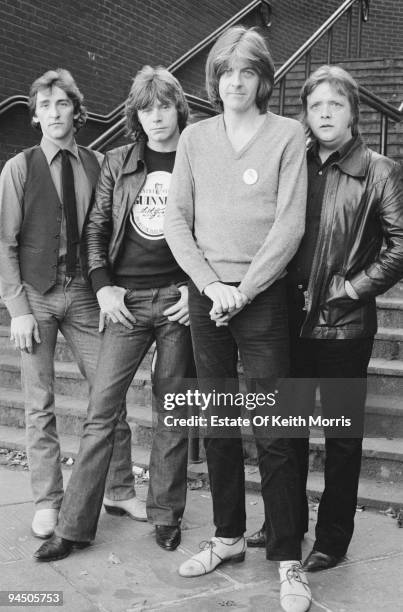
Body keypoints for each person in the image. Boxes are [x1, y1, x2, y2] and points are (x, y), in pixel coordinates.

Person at [165, 26, 311, 612]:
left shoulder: (288, 134)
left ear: (263, 79)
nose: (235, 82)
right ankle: (227, 536)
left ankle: (287, 558)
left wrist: (242, 291)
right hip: (207, 296)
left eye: (247, 71)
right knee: (219, 422)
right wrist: (208, 286)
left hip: (265, 297)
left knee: (276, 430)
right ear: (215, 79)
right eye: (226, 72)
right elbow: (177, 219)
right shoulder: (195, 139)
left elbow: (290, 225)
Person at [34, 66, 194, 562]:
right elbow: (97, 228)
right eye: (146, 108)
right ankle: (74, 525)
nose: (157, 117)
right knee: (101, 411)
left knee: (173, 410)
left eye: (164, 106)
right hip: (124, 303)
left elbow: (211, 227)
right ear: (135, 115)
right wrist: (102, 288)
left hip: (178, 302)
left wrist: (197, 288)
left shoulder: (196, 156)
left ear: (178, 109)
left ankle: (167, 515)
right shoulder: (121, 160)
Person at [249, 65, 403, 572]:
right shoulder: (294, 161)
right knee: (286, 433)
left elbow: (399, 246)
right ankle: (284, 526)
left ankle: (333, 539)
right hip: (287, 321)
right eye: (316, 106)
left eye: (335, 104)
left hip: (344, 327)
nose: (325, 113)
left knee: (341, 438)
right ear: (306, 115)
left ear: (354, 112)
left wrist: (351, 290)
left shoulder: (380, 169)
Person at [0, 68, 135, 539]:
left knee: (109, 393)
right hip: (35, 294)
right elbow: (4, 243)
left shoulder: (98, 163)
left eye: (62, 104)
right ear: (35, 117)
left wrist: (108, 286)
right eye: (44, 106)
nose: (54, 113)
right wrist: (17, 310)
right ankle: (48, 500)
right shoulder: (19, 167)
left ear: (76, 111)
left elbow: (111, 235)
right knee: (39, 402)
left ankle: (119, 488)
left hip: (83, 293)